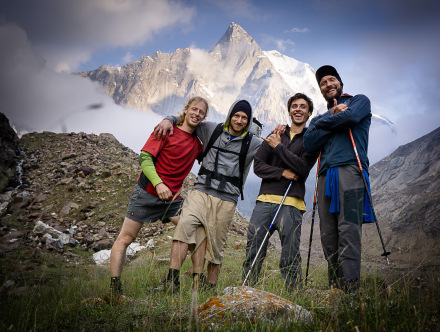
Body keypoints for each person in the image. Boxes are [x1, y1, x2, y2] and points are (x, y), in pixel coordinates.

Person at [153, 100, 262, 292]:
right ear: (230, 115)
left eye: (244, 118)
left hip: (228, 199)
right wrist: (167, 119)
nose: (239, 120)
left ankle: (209, 287)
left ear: (249, 121)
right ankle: (171, 281)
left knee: (216, 244)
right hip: (201, 191)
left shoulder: (252, 142)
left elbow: (272, 149)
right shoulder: (213, 129)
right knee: (184, 227)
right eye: (236, 115)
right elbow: (188, 120)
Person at [109, 96, 208, 301]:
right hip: (146, 193)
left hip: (172, 201)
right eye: (194, 109)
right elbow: (144, 158)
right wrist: (158, 183)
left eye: (202, 112)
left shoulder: (197, 144)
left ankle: (196, 282)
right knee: (126, 239)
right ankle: (114, 288)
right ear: (186, 109)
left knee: (197, 233)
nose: (197, 114)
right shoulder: (166, 130)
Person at [303, 65, 372, 293]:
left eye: (331, 80)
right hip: (325, 177)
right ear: (321, 89)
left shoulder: (359, 101)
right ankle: (336, 288)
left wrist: (323, 124)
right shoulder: (321, 116)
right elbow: (309, 143)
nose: (328, 84)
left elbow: (350, 118)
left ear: (340, 82)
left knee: (349, 230)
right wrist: (333, 117)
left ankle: (351, 291)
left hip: (351, 171)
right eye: (323, 83)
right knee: (328, 235)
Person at [242, 93, 318, 291]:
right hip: (265, 201)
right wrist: (282, 172)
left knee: (290, 254)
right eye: (294, 106)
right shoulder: (276, 134)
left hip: (292, 204)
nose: (298, 109)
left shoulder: (311, 139)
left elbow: (302, 168)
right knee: (254, 249)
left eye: (303, 106)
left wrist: (277, 148)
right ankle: (247, 292)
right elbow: (258, 166)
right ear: (289, 110)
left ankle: (294, 296)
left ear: (309, 112)